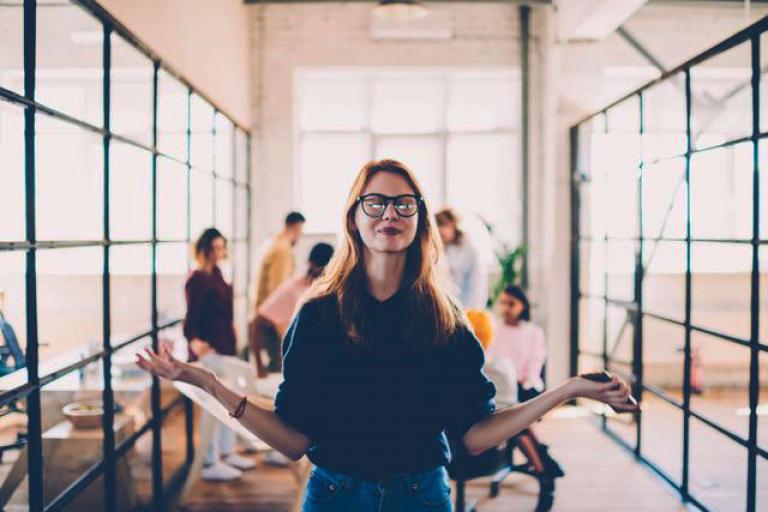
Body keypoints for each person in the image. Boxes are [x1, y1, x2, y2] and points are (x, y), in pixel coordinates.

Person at [137, 160, 636, 512]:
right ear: (354, 219)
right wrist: (207, 383)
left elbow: (475, 435)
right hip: (334, 498)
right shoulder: (317, 319)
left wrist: (566, 390)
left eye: (403, 204)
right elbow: (293, 442)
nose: (389, 214)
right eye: (374, 203)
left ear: (419, 221)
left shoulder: (447, 323)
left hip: (421, 498)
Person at [183, 228, 256, 482]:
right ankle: (209, 461)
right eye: (213, 247)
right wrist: (198, 345)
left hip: (225, 348)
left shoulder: (216, 274)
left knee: (230, 404)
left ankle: (226, 453)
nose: (218, 252)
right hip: (210, 352)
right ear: (203, 249)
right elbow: (190, 321)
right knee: (213, 407)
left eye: (221, 246)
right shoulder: (197, 279)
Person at [467, 308, 564, 481]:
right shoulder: (501, 365)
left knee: (517, 418)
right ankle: (543, 463)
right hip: (492, 439)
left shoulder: (463, 372)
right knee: (518, 419)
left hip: (472, 446)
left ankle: (543, 463)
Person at [250, 242, 334, 376]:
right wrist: (259, 365)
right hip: (290, 364)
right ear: (313, 265)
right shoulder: (295, 289)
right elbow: (256, 322)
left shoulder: (330, 290)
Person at [435, 208, 487, 309]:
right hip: (444, 307)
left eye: (444, 224)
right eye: (437, 225)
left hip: (467, 306)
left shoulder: (470, 250)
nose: (440, 229)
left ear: (454, 225)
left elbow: (478, 285)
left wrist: (474, 309)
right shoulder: (435, 250)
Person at [254, 211, 305, 308]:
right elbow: (278, 290)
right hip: (271, 317)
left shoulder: (275, 243)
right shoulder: (282, 250)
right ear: (296, 227)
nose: (301, 234)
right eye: (301, 230)